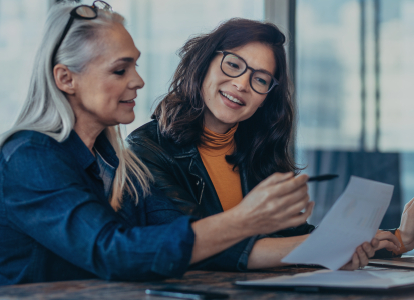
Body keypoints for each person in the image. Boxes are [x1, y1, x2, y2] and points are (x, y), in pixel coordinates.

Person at [0, 2, 316, 285]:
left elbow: (166, 238)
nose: (138, 81)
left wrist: (333, 244)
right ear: (66, 78)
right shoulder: (30, 156)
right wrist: (245, 219)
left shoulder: (114, 161)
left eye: (135, 66)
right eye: (120, 70)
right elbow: (114, 251)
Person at [127, 18, 402, 269]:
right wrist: (324, 249)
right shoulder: (146, 148)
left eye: (260, 79)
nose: (242, 84)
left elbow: (291, 236)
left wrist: (388, 239)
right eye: (233, 65)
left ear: (265, 98)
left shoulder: (258, 150)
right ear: (203, 64)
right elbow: (194, 246)